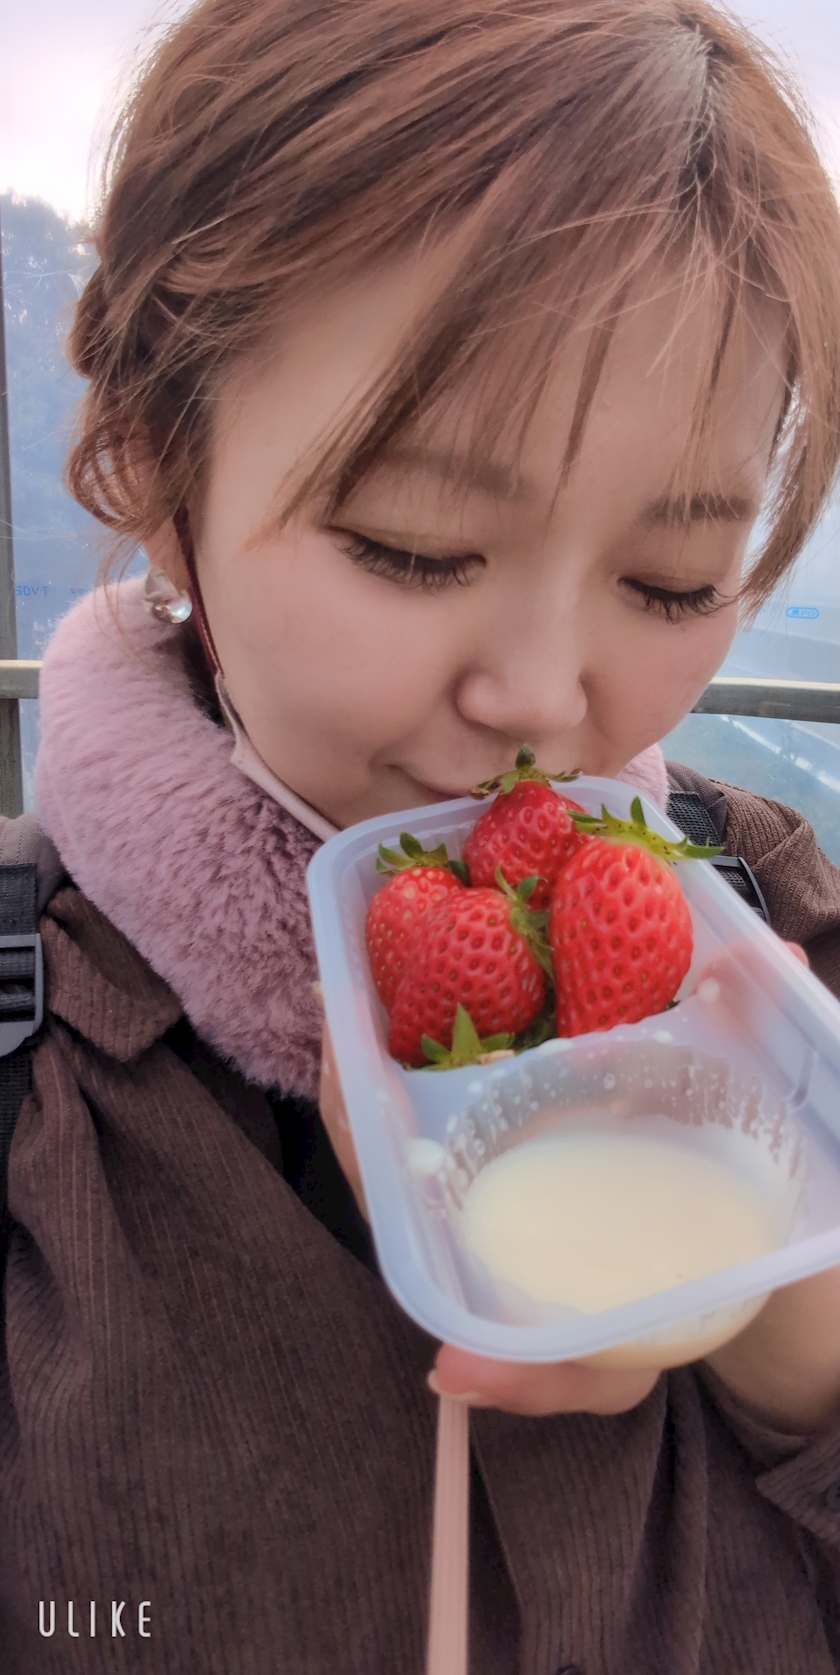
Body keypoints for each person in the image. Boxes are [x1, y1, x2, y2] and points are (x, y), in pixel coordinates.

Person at [3, 0, 840, 1668]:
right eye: (410, 546)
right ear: (158, 463)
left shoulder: (778, 924)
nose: (540, 703)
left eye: (671, 581)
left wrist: (797, 1351)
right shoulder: (35, 1068)